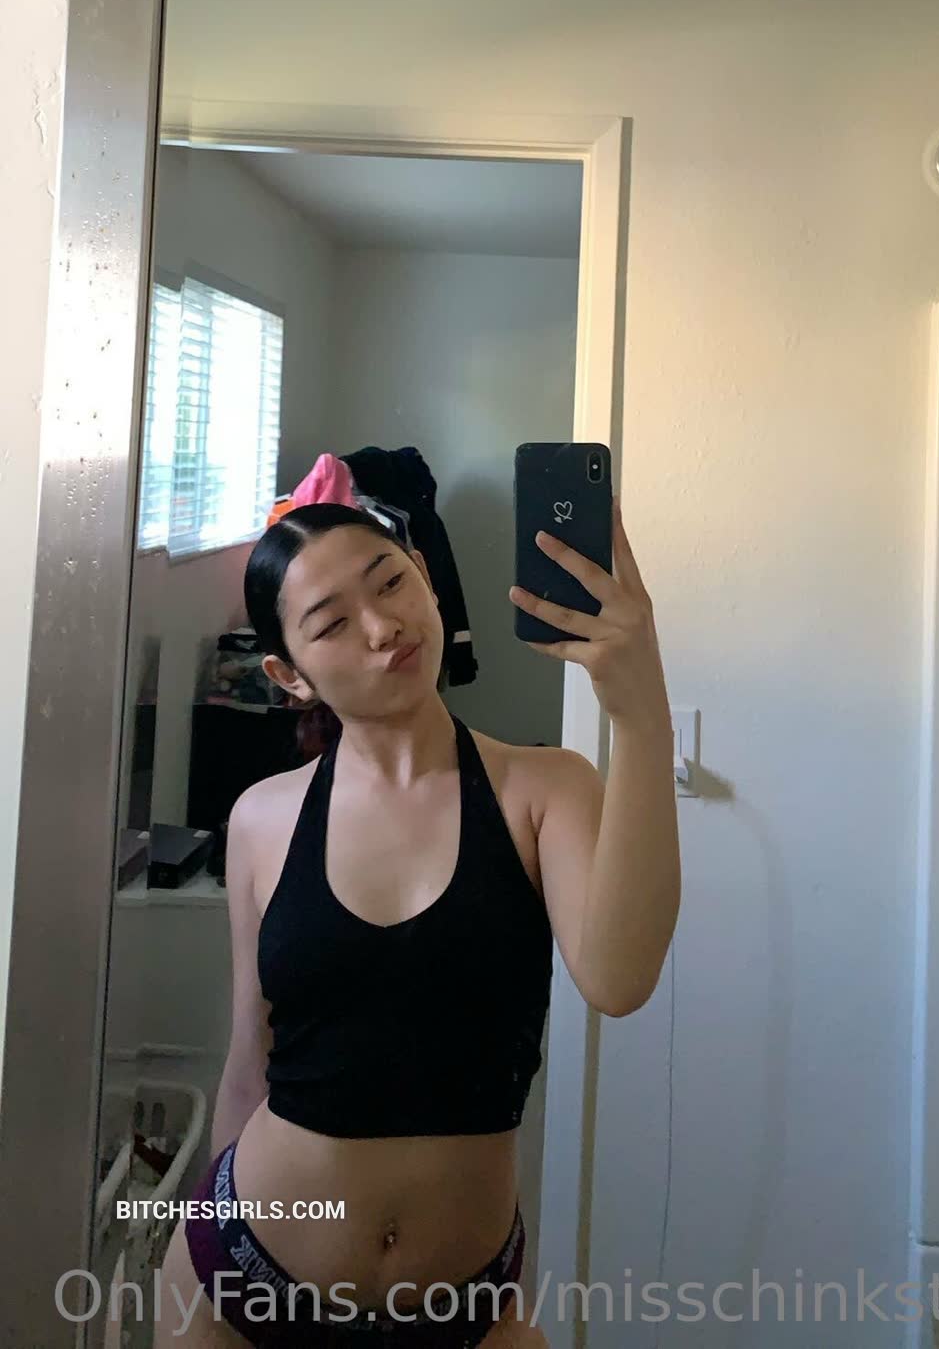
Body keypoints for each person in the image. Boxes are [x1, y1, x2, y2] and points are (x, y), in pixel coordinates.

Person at [154, 496, 681, 1347]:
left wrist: (640, 712)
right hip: (246, 1275)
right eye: (331, 623)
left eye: (390, 582)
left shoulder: (544, 788)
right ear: (289, 675)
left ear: (428, 580)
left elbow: (619, 981)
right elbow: (250, 1056)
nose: (381, 626)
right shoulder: (262, 817)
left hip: (463, 1307)